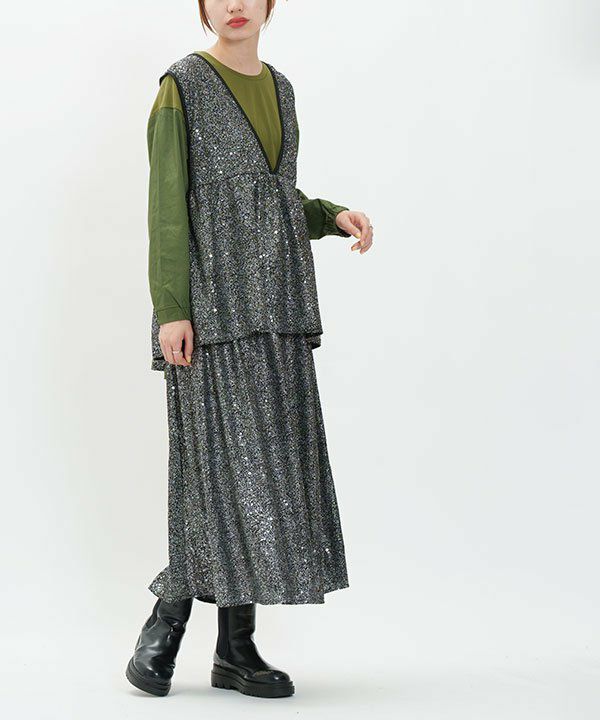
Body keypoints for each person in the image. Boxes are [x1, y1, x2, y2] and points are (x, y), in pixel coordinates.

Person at [126, 0, 374, 700]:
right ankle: (169, 616)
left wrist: (328, 215)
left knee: (264, 475)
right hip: (212, 309)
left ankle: (235, 648)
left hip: (278, 304)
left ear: (269, 5)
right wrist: (171, 309)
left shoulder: (281, 88)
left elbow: (270, 197)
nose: (234, 5)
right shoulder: (181, 85)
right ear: (203, 7)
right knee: (211, 468)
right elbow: (167, 204)